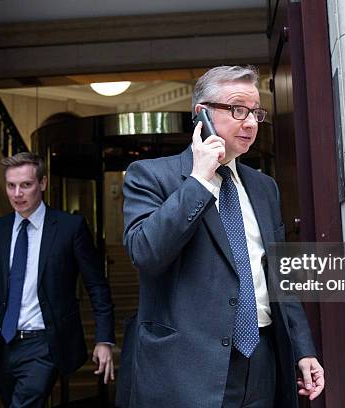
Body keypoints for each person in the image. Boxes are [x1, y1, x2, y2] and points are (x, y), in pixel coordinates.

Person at [121, 65, 324, 407]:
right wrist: (199, 180)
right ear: (203, 115)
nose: (250, 122)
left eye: (256, 112)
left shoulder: (263, 187)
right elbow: (145, 253)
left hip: (262, 361)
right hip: (187, 369)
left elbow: (278, 275)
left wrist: (302, 348)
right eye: (237, 109)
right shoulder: (151, 176)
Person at [0, 152, 115, 407]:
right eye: (11, 186)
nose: (17, 193)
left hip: (46, 344)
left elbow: (96, 286)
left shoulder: (70, 227)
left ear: (43, 183)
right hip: (4, 346)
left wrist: (103, 339)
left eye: (26, 185)